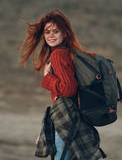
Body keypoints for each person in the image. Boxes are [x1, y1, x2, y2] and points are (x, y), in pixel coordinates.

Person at [19, 10, 106, 160]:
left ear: (64, 33)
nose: (51, 35)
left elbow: (68, 89)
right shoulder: (70, 53)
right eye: (47, 32)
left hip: (66, 127)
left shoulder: (58, 55)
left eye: (56, 31)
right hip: (75, 123)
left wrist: (47, 78)